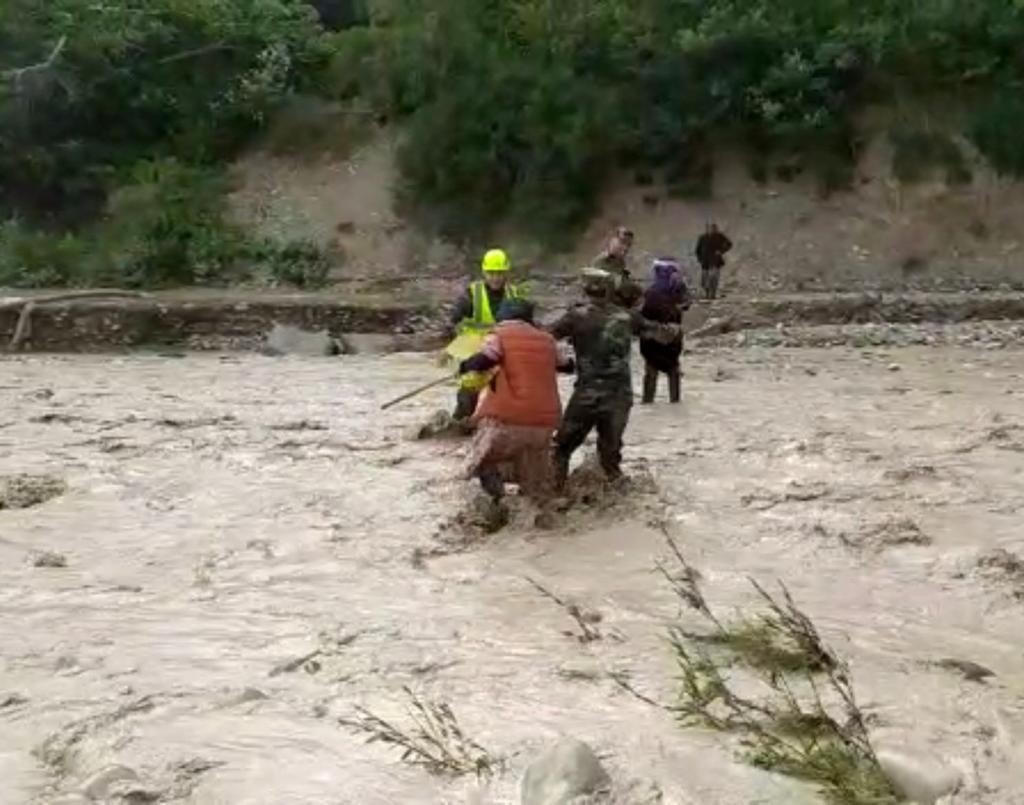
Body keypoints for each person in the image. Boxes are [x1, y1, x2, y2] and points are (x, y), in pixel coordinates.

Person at [549, 268, 678, 487]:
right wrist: (674, 328)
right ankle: (617, 500)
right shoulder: (627, 317)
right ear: (610, 290)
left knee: (562, 449)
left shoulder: (576, 316)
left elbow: (542, 337)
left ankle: (556, 495)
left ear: (585, 289)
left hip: (587, 395)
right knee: (610, 457)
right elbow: (662, 334)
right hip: (619, 396)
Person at [458, 299, 570, 504]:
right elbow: (567, 365)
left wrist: (465, 365)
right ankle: (534, 513)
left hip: (508, 419)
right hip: (545, 423)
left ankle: (498, 504)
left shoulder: (498, 335)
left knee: (482, 461)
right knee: (533, 482)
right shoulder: (547, 340)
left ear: (502, 317)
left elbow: (487, 359)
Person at [449, 248, 524, 421]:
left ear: (506, 272)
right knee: (470, 385)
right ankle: (461, 421)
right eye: (491, 273)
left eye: (499, 273)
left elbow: (526, 322)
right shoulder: (472, 293)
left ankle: (498, 421)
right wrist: (453, 332)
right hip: (476, 348)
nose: (495, 277)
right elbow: (455, 316)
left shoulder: (515, 293)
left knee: (508, 387)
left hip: (505, 348)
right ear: (484, 272)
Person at [640, 257, 691, 404]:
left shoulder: (652, 291)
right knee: (672, 370)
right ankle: (674, 403)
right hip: (669, 336)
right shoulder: (677, 288)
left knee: (652, 371)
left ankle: (648, 402)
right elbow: (687, 304)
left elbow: (643, 313)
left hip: (653, 337)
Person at [694, 223, 733, 300]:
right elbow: (697, 250)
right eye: (710, 228)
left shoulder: (719, 236)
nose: (712, 230)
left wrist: (721, 251)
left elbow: (729, 244)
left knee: (714, 277)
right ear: (707, 229)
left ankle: (713, 294)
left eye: (714, 228)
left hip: (716, 260)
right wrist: (700, 259)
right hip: (705, 261)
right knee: (704, 280)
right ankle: (707, 293)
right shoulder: (703, 238)